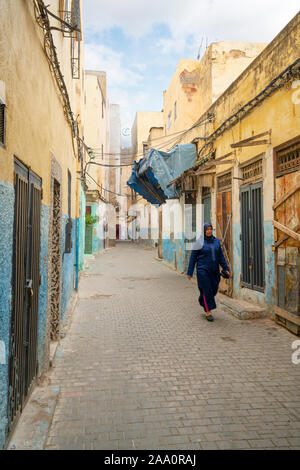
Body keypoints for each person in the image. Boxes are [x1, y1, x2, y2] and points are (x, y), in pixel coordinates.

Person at [187, 222, 229, 322]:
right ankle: (208, 311)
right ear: (204, 231)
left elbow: (221, 257)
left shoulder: (216, 242)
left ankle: (202, 299)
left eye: (210, 229)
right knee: (207, 290)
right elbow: (193, 258)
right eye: (207, 229)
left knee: (213, 289)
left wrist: (225, 268)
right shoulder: (199, 242)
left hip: (214, 270)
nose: (209, 231)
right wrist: (190, 272)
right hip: (202, 270)